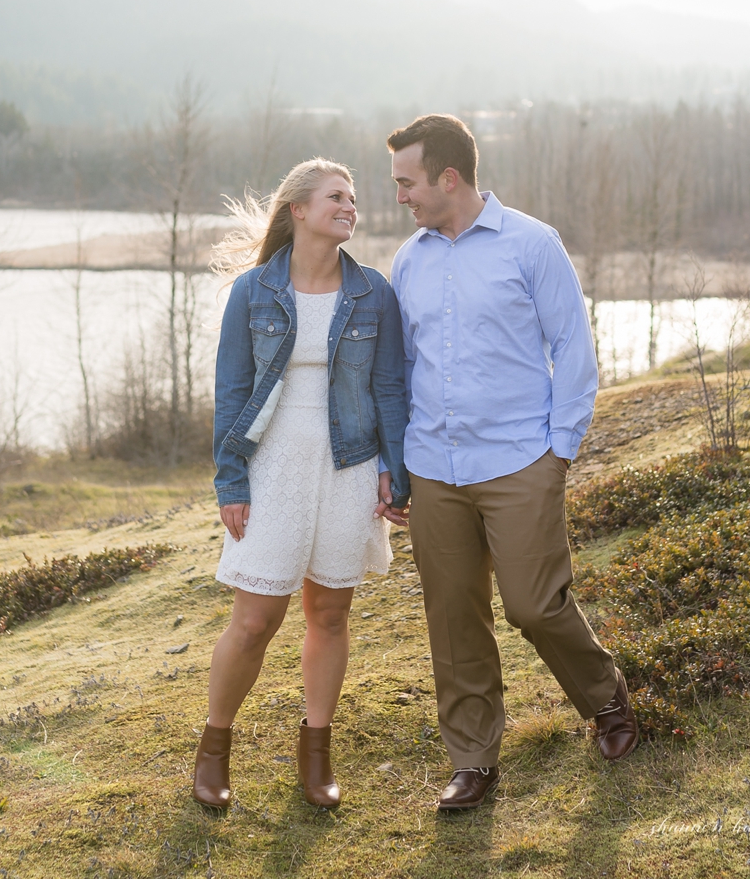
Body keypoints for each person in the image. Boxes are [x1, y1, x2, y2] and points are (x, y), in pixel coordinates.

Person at [384, 114, 639, 813]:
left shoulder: (532, 244)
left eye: (407, 182)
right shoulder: (409, 260)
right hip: (436, 467)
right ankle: (473, 762)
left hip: (521, 460)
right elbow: (403, 369)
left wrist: (560, 450)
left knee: (534, 605)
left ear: (449, 177)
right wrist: (398, 464)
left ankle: (606, 700)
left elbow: (574, 351)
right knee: (453, 619)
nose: (400, 195)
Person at [191, 158, 411, 810]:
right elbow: (231, 392)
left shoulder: (375, 293)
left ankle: (316, 755)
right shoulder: (253, 293)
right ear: (300, 211)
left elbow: (390, 388)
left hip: (349, 464)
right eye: (336, 197)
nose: (350, 206)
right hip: (273, 462)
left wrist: (395, 473)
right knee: (256, 618)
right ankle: (214, 749)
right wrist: (230, 480)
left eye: (353, 198)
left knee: (331, 612)